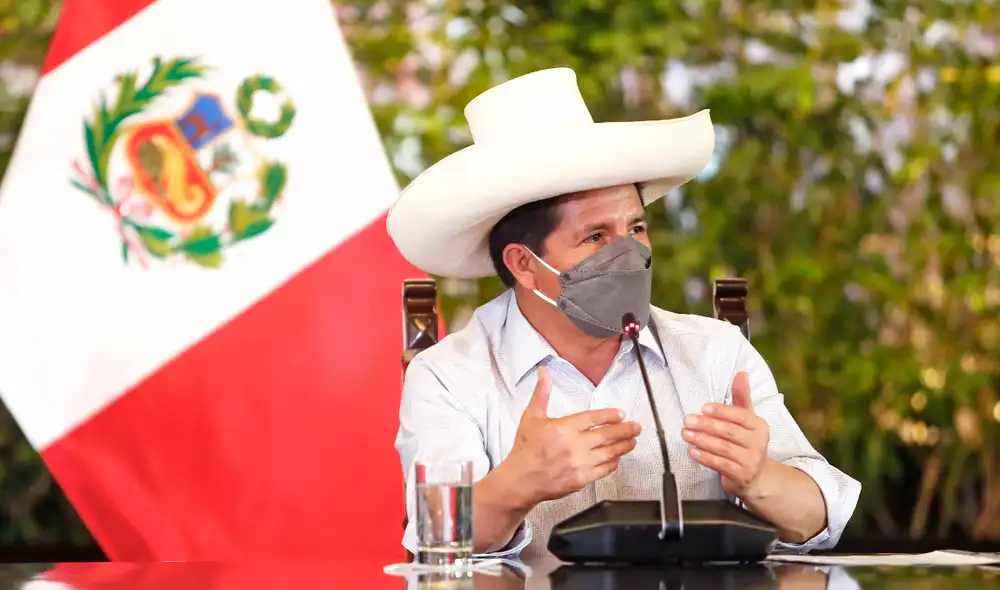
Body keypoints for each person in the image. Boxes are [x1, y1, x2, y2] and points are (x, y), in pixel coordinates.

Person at [386, 67, 860, 560]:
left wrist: (761, 479)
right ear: (524, 264)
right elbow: (436, 534)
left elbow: (822, 517)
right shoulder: (449, 375)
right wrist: (515, 485)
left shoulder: (716, 353)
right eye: (595, 237)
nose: (629, 253)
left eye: (635, 228)